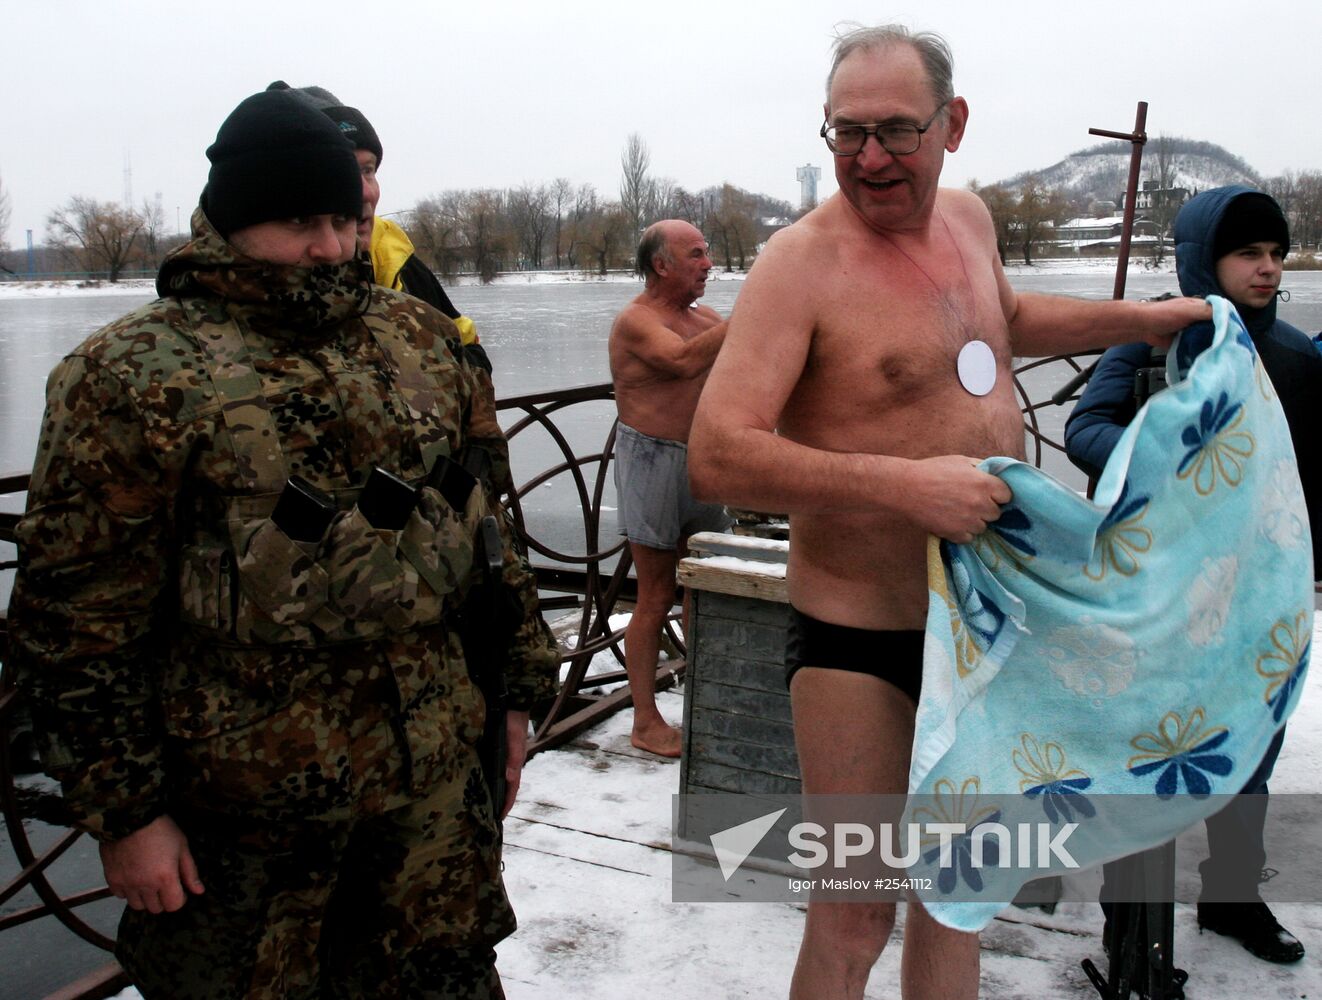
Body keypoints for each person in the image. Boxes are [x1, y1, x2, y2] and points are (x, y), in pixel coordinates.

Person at [687, 24, 1211, 1000]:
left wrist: (1140, 321)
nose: (868, 158)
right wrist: (905, 482)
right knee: (852, 911)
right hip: (859, 638)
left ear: (951, 124)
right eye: (846, 134)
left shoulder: (965, 220)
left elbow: (997, 318)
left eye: (893, 131)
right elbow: (719, 450)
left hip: (981, 635)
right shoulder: (797, 265)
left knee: (956, 895)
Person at [6, 89, 558, 999]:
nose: (332, 248)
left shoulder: (421, 342)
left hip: (429, 799)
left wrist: (513, 694)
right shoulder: (130, 374)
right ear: (231, 220)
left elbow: (490, 533)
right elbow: (76, 623)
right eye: (302, 221)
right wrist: (126, 815)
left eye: (345, 219)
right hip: (244, 820)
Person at [1066, 186, 1320, 965]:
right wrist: (1182, 467)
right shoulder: (1152, 337)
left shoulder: (1298, 358)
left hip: (1258, 595)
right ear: (1203, 259)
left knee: (1249, 757)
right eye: (1249, 253)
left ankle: (1232, 900)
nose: (1269, 269)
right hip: (1158, 590)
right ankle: (1129, 930)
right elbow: (1085, 430)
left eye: (1277, 255)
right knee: (1147, 761)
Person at [266, 80, 493, 376]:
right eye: (344, 171)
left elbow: (470, 354)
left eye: (368, 170)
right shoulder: (247, 287)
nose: (365, 193)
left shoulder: (394, 256)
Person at [609, 220, 730, 757]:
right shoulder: (636, 321)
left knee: (706, 589)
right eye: (696, 254)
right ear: (662, 265)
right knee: (655, 594)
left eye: (707, 254)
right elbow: (681, 363)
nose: (708, 263)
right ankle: (644, 719)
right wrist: (751, 318)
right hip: (651, 460)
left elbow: (742, 365)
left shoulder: (703, 317)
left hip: (702, 461)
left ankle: (711, 697)